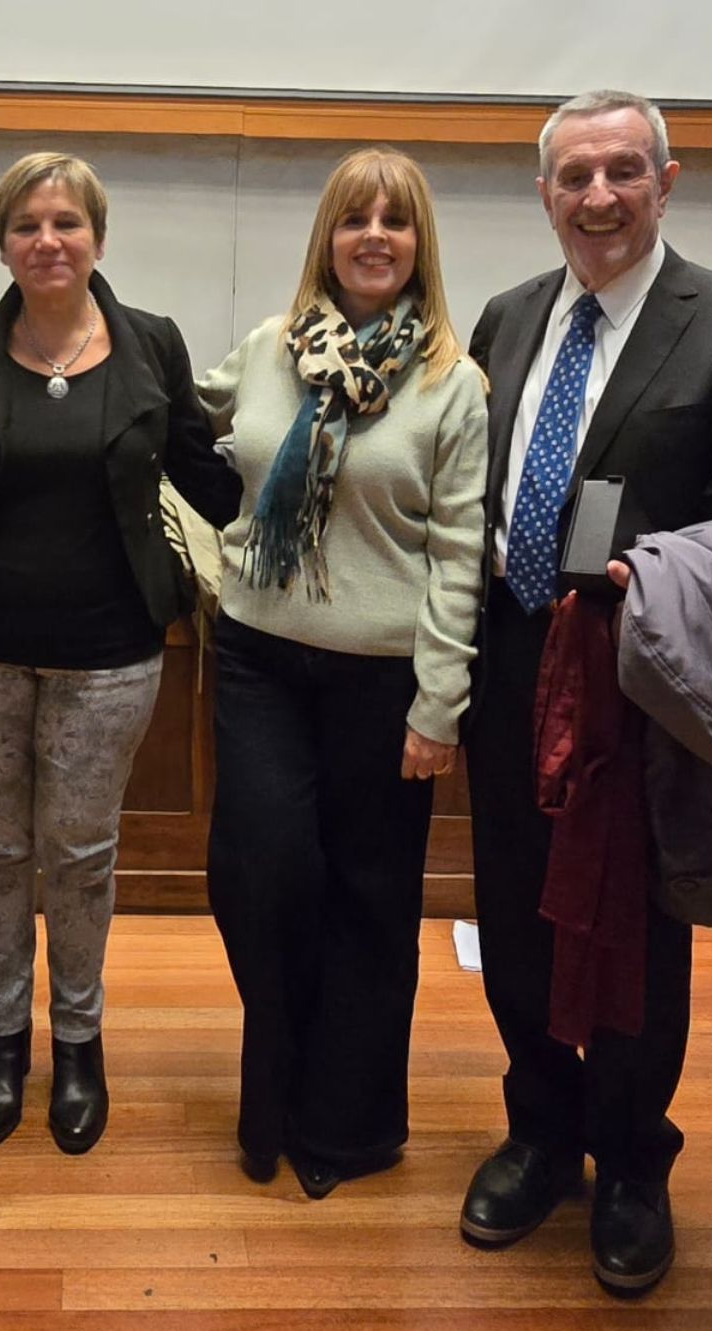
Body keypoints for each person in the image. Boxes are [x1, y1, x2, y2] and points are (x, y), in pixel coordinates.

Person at [457, 89, 712, 1295]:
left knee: (633, 917)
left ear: (668, 180)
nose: (598, 196)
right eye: (574, 176)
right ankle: (540, 1127)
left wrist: (640, 572)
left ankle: (634, 1156)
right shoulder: (506, 317)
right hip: (509, 656)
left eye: (622, 173)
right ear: (544, 194)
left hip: (638, 671)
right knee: (515, 899)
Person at [0, 152, 240, 1154]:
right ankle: (4, 1042)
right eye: (28, 224)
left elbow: (208, 477)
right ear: (3, 242)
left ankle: (79, 1045)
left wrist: (292, 446)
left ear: (98, 239)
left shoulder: (149, 343)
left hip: (110, 652)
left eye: (67, 223)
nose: (49, 240)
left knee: (80, 857)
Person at [196, 146, 488, 1198]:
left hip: (383, 679)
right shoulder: (272, 349)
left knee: (369, 899)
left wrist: (439, 706)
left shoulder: (454, 384)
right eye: (355, 219)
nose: (374, 237)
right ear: (326, 235)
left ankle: (347, 1125)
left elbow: (459, 557)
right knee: (261, 874)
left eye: (395, 222)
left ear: (420, 246)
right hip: (260, 662)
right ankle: (272, 1090)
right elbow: (192, 434)